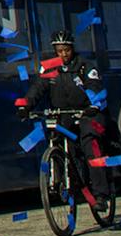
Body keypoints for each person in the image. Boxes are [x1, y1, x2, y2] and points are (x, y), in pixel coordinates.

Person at [22, 30, 112, 201]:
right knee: (61, 140)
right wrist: (26, 106)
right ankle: (69, 179)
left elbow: (95, 87)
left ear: (72, 49)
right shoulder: (50, 67)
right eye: (60, 51)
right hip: (64, 114)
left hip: (87, 112)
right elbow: (38, 88)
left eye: (67, 50)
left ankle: (101, 194)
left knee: (90, 144)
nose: (64, 54)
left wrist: (94, 105)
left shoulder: (85, 66)